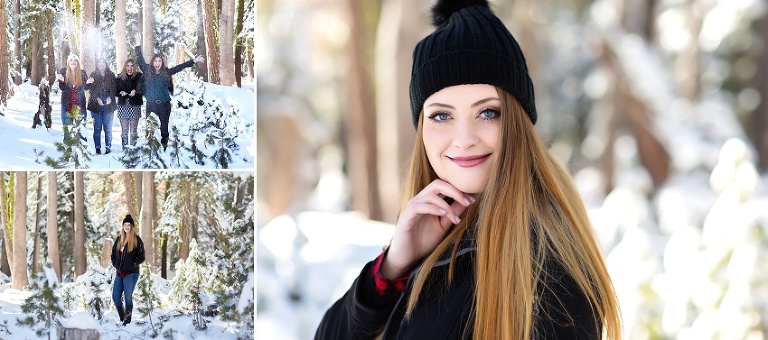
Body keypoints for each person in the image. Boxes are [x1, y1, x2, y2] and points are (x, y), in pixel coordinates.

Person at [315, 1, 622, 339]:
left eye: (488, 112)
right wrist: (393, 267)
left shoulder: (548, 270)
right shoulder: (437, 240)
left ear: (517, 122)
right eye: (441, 115)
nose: (463, 139)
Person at [134, 34, 204, 149]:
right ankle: (150, 149)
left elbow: (179, 67)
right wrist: (138, 44)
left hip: (165, 105)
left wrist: (193, 61)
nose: (157, 63)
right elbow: (140, 59)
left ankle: (164, 147)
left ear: (162, 63)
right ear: (152, 63)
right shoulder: (147, 71)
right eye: (155, 61)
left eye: (159, 61)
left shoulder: (166, 72)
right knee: (150, 127)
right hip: (151, 105)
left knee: (164, 127)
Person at [111, 214, 145, 326]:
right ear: (123, 226)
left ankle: (127, 320)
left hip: (131, 273)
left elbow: (141, 257)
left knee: (128, 297)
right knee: (115, 297)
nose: (126, 227)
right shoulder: (119, 239)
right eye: (125, 224)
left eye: (129, 225)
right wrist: (115, 264)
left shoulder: (136, 240)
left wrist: (132, 264)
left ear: (132, 227)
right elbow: (113, 255)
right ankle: (122, 318)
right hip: (119, 273)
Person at [57, 54, 92, 140]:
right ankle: (68, 152)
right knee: (67, 133)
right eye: (71, 60)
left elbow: (85, 88)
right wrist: (61, 81)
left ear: (78, 62)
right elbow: (62, 88)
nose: (73, 62)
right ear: (68, 62)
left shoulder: (82, 73)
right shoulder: (63, 71)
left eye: (75, 60)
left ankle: (82, 152)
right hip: (66, 107)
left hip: (80, 107)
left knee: (81, 133)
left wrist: (88, 83)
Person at [87, 58, 118, 154]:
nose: (101, 64)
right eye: (99, 62)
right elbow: (91, 90)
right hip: (96, 106)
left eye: (103, 62)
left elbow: (114, 89)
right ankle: (97, 148)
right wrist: (97, 99)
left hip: (109, 106)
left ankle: (108, 147)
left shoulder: (111, 75)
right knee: (97, 128)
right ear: (97, 64)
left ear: (106, 64)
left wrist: (110, 97)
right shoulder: (93, 75)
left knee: (108, 128)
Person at [116, 59, 145, 148]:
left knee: (133, 131)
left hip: (135, 105)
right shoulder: (119, 77)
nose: (129, 68)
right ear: (125, 67)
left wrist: (136, 91)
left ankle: (133, 152)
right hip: (123, 105)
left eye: (131, 66)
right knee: (124, 130)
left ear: (134, 67)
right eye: (128, 66)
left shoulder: (139, 76)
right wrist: (121, 92)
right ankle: (125, 150)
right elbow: (115, 91)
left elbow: (143, 89)